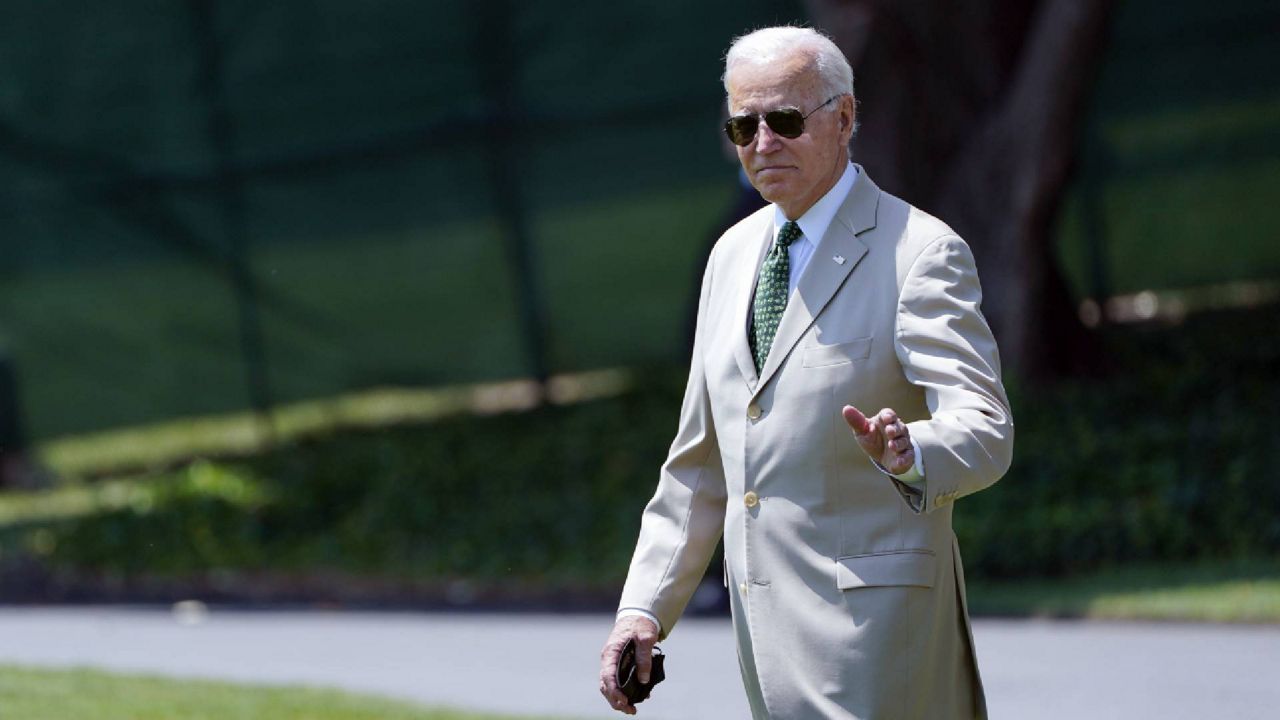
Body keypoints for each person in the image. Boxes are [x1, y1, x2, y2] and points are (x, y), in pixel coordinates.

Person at [597, 25, 1013, 720]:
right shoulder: (730, 255)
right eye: (743, 125)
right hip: (765, 647)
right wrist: (642, 609)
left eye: (785, 120)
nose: (763, 143)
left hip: (879, 648)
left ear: (844, 118)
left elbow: (986, 428)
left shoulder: (921, 251)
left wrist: (914, 451)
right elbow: (701, 466)